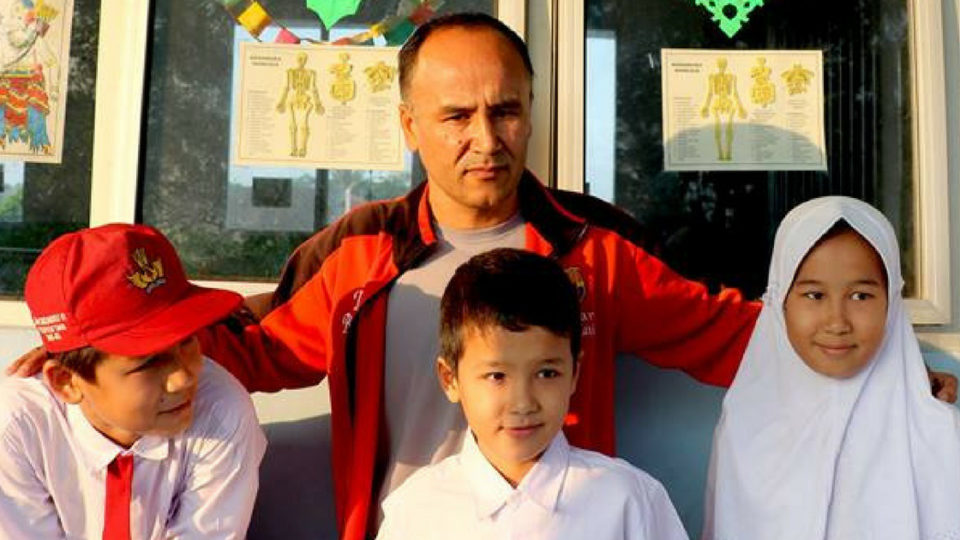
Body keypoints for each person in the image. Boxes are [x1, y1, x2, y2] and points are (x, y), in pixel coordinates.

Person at [6, 12, 956, 540]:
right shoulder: (360, 253)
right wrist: (83, 358)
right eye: (454, 113)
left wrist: (895, 374)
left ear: (532, 112)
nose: (484, 136)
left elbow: (735, 334)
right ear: (409, 126)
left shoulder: (594, 251)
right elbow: (251, 351)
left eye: (505, 109)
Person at [376, 248, 690, 540]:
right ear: (450, 379)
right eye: (496, 376)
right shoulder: (414, 511)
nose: (523, 402)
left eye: (546, 373)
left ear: (574, 374)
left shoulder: (630, 500)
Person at [702, 197, 960, 540]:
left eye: (861, 297)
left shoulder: (937, 432)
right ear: (780, 303)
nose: (837, 322)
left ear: (893, 305)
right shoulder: (747, 424)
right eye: (813, 295)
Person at [0, 223, 266, 538]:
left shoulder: (222, 410)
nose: (182, 379)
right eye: (148, 362)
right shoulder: (17, 425)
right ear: (66, 382)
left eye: (187, 341)